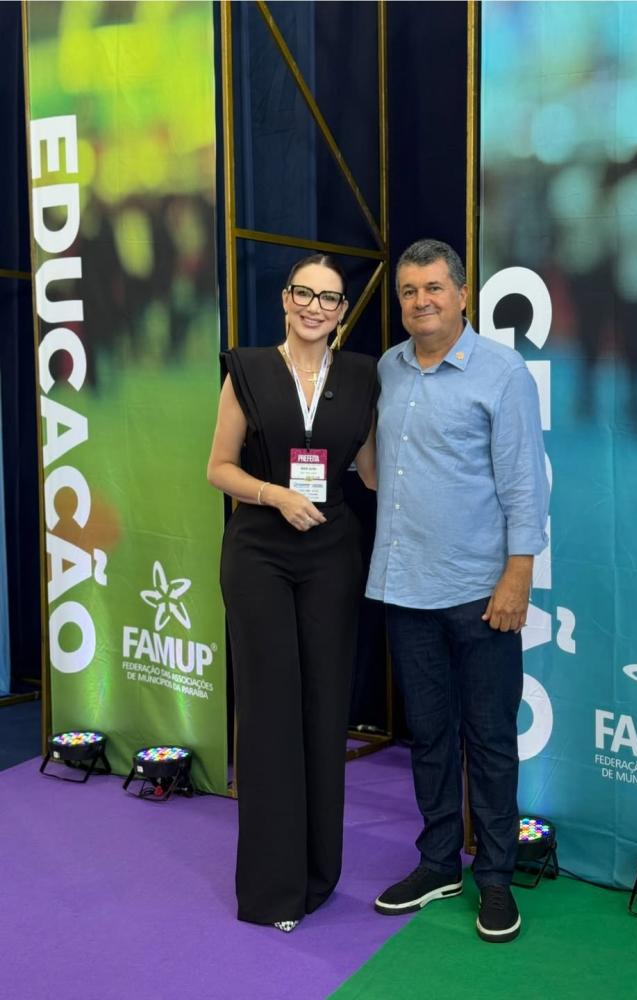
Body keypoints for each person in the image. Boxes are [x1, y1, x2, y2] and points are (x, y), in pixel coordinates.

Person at [366, 239, 549, 943]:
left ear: (464, 295)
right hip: (405, 588)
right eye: (409, 291)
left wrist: (518, 574)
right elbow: (378, 467)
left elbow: (524, 482)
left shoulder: (503, 373)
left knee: (491, 740)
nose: (422, 301)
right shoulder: (388, 368)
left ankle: (495, 878)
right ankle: (439, 862)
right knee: (431, 737)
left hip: (481, 593)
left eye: (435, 288)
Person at [207, 254, 377, 933]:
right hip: (260, 553)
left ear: (341, 312)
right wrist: (274, 494)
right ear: (285, 300)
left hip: (332, 555)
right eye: (304, 293)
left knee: (325, 708)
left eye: (329, 298)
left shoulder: (362, 377)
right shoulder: (248, 370)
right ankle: (272, 890)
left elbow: (372, 471)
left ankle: (317, 876)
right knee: (270, 713)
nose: (314, 306)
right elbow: (218, 468)